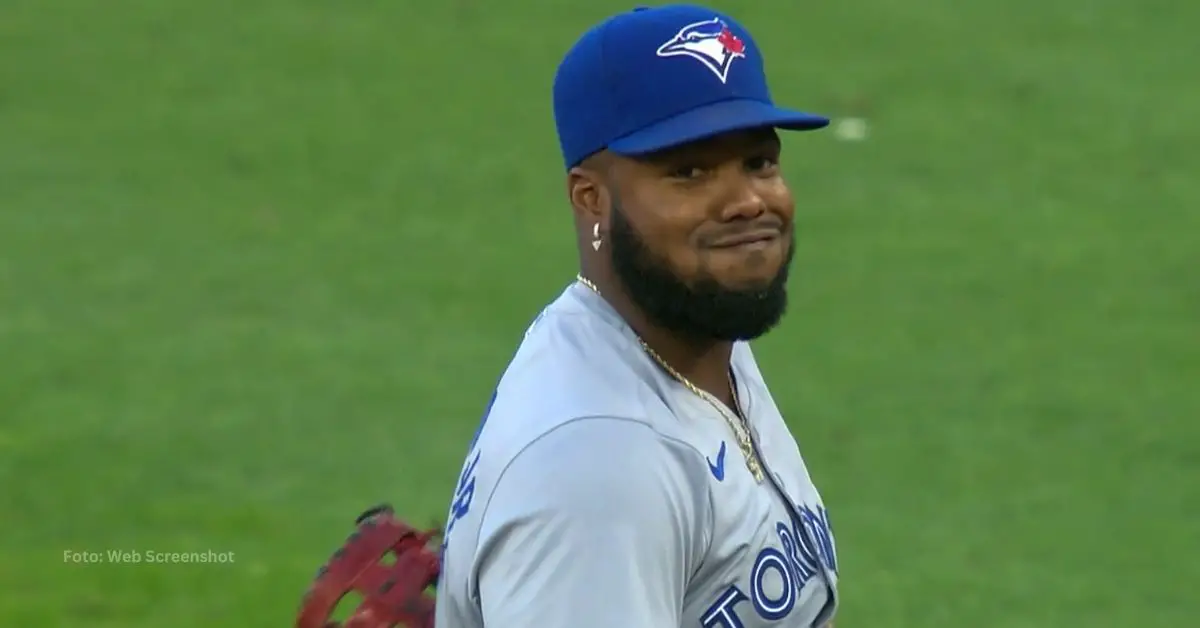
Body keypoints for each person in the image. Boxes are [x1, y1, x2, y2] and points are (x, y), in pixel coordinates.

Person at [435, 4, 839, 627]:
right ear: (590, 198)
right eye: (689, 172)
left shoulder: (697, 327)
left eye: (759, 161)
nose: (747, 202)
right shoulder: (596, 470)